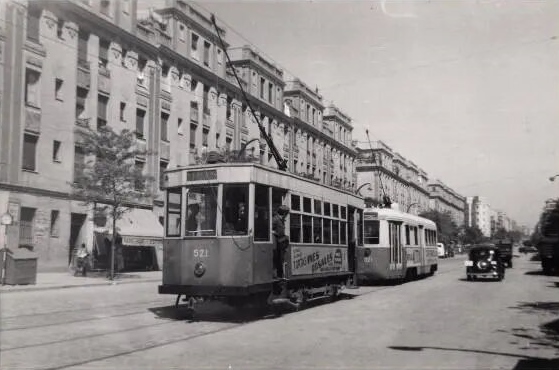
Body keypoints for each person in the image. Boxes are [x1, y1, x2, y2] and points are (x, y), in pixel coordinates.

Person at [272, 205, 290, 279]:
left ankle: (280, 274)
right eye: (286, 214)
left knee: (281, 258)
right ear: (284, 213)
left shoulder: (281, 220)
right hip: (276, 241)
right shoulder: (275, 219)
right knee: (277, 258)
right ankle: (276, 274)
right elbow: (270, 229)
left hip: (281, 241)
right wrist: (276, 234)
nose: (286, 216)